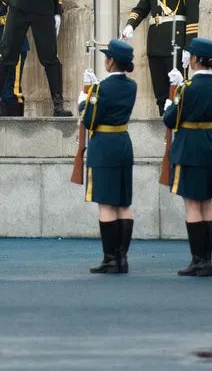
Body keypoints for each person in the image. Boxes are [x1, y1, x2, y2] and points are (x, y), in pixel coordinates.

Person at [163, 37, 212, 277]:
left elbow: (171, 120)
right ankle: (206, 260)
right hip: (209, 142)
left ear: (197, 59)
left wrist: (170, 105)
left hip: (189, 144)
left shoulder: (187, 88)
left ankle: (198, 260)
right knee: (206, 203)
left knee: (191, 203)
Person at [122, 0, 200, 114]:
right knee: (160, 95)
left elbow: (192, 16)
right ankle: (163, 128)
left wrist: (189, 47)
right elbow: (141, 8)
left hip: (176, 44)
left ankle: (177, 128)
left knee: (177, 93)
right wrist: (130, 25)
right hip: (155, 43)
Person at [78, 39, 137, 274]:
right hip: (123, 142)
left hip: (104, 146)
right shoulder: (132, 86)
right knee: (123, 203)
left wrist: (84, 101)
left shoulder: (101, 88)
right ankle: (122, 258)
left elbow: (90, 120)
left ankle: (110, 258)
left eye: (106, 57)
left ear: (111, 61)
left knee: (106, 204)